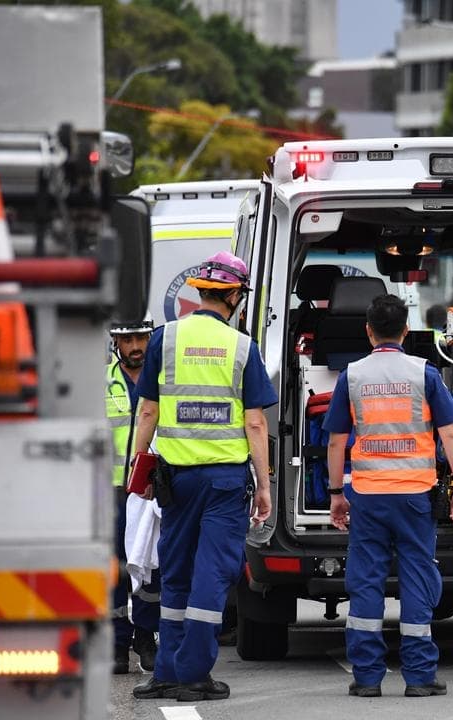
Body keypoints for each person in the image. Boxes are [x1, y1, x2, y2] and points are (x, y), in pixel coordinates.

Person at [130, 252, 277, 702]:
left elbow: (149, 409)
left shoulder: (164, 339)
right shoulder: (241, 347)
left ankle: (167, 671)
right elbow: (255, 423)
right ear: (233, 296)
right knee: (213, 573)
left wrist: (138, 465)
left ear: (200, 291)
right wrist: (266, 484)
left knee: (174, 570)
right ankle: (194, 674)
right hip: (224, 482)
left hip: (175, 480)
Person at [323, 293, 453, 698]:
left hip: (367, 496)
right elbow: (450, 433)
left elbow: (337, 443)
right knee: (417, 579)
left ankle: (367, 678)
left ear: (368, 331)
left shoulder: (352, 376)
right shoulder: (424, 373)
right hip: (414, 496)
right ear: (406, 331)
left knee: (366, 582)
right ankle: (420, 677)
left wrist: (337, 493)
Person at [107, 316, 160, 675]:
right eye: (128, 340)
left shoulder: (163, 379)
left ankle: (145, 636)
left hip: (147, 488)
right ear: (116, 342)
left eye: (141, 337)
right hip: (109, 489)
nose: (135, 346)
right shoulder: (102, 382)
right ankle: (116, 644)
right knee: (114, 570)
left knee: (149, 566)